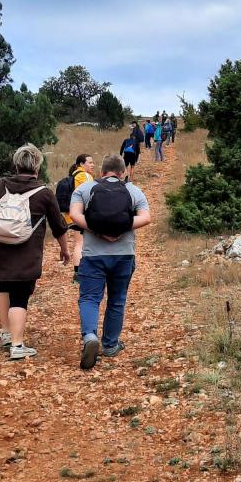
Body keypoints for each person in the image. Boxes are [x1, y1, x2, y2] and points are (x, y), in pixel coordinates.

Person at [0, 143, 70, 360]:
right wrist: (65, 250)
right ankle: (18, 346)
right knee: (20, 296)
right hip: (26, 254)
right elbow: (59, 226)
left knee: (4, 286)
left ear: (16, 165)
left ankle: (7, 333)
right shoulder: (44, 193)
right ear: (37, 166)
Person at [69, 152, 151, 371]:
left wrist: (97, 229)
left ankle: (89, 337)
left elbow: (74, 214)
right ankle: (111, 344)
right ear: (123, 172)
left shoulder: (84, 189)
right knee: (117, 299)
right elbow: (146, 217)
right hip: (124, 255)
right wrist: (120, 228)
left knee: (89, 298)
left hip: (93, 255)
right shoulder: (133, 190)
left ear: (101, 172)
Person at [58, 153, 95, 283]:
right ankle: (80, 274)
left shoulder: (74, 175)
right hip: (82, 214)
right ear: (81, 164)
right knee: (82, 243)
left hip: (71, 214)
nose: (92, 165)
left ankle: (79, 273)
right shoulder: (85, 176)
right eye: (89, 162)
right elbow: (89, 196)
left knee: (79, 243)